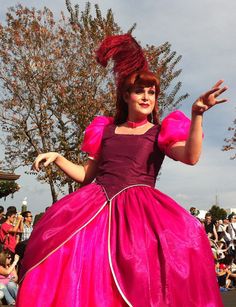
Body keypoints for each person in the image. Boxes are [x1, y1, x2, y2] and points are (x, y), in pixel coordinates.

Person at [16, 34, 227, 306]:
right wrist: (57, 157)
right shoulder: (105, 131)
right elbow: (86, 175)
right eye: (140, 91)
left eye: (152, 92)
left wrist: (197, 115)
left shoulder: (159, 132)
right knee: (74, 260)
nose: (147, 97)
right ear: (126, 95)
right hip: (94, 208)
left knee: (158, 258)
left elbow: (190, 156)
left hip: (141, 213)